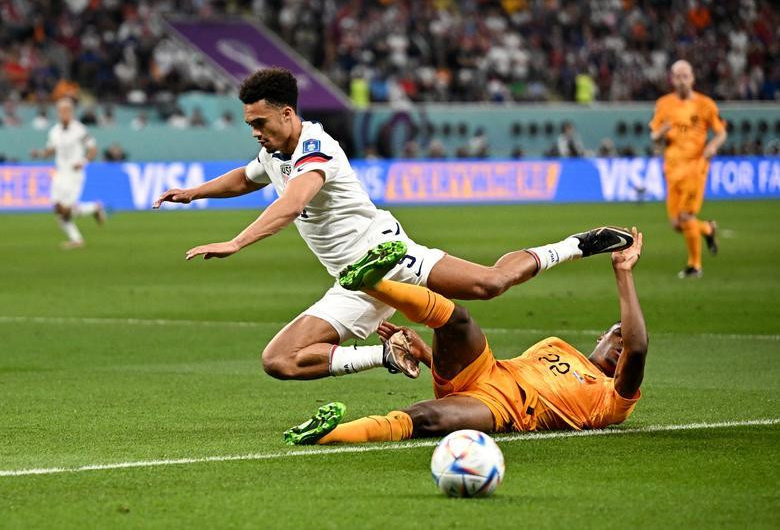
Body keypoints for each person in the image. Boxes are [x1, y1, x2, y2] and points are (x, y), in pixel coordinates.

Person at [153, 67, 634, 382]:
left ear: (287, 113)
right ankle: (389, 353)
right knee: (279, 360)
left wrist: (237, 242)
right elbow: (245, 177)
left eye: (260, 123)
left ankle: (575, 244)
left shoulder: (316, 149)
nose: (256, 133)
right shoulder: (274, 149)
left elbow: (292, 205)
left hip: (387, 256)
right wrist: (193, 192)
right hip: (355, 283)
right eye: (250, 127)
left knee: (490, 284)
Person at [284, 228, 646, 445]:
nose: (620, 345)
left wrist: (623, 274)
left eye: (623, 342)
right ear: (600, 336)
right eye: (616, 336)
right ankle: (371, 283)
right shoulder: (556, 347)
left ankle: (325, 435)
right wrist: (430, 355)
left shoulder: (613, 401)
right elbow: (500, 372)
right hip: (482, 373)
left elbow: (638, 347)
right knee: (457, 319)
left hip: (502, 410)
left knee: (427, 419)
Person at [650, 60, 727, 278]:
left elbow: (721, 132)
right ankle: (708, 229)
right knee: (677, 224)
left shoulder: (705, 104)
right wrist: (660, 135)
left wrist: (712, 146)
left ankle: (695, 266)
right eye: (677, 76)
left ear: (692, 78)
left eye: (685, 76)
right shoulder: (664, 104)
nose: (682, 81)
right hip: (672, 168)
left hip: (695, 167)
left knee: (685, 216)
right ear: (671, 79)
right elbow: (654, 136)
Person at [30, 98, 105, 249]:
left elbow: (92, 149)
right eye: (61, 111)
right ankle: (93, 209)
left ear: (71, 112)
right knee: (58, 209)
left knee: (67, 211)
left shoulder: (80, 129)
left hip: (74, 174)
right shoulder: (54, 131)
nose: (64, 113)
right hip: (60, 173)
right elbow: (51, 150)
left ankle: (79, 235)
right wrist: (39, 153)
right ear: (58, 113)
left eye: (67, 111)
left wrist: (83, 161)